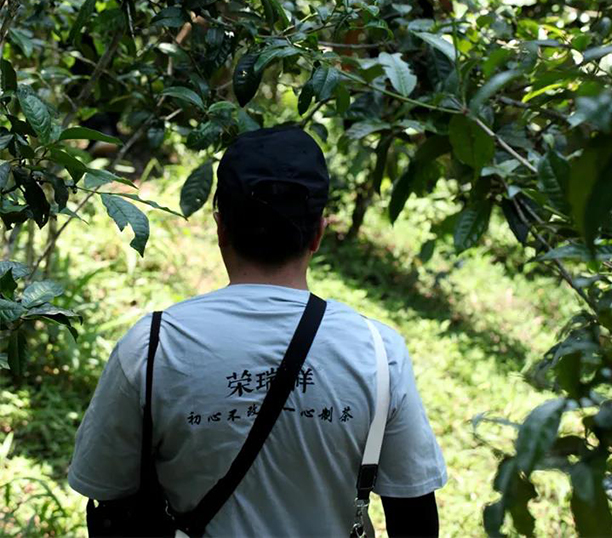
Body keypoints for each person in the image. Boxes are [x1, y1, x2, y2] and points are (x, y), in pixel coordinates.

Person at [68, 124, 447, 537]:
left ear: (220, 228)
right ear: (319, 232)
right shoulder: (378, 353)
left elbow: (107, 495)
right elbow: (414, 514)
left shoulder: (153, 346)